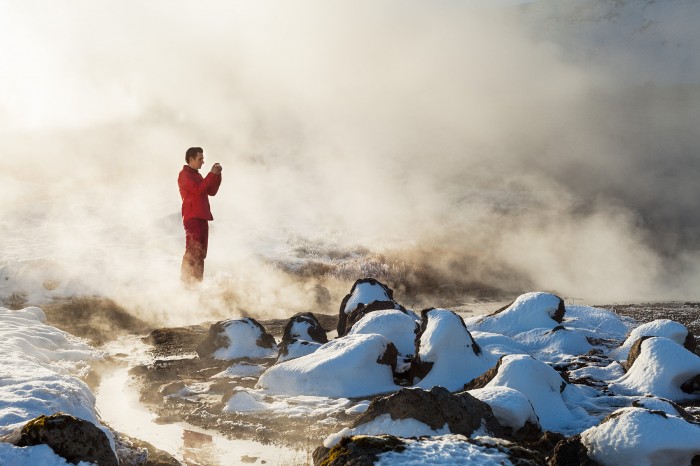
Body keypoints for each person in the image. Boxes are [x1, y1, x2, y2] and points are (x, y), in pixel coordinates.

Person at [178, 147, 222, 286]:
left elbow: (211, 191)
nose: (203, 162)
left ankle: (197, 286)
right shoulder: (184, 175)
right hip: (192, 217)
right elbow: (198, 190)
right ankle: (185, 284)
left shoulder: (197, 175)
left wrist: (217, 175)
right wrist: (211, 174)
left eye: (203, 159)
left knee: (201, 254)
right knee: (192, 251)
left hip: (202, 217)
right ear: (191, 159)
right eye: (200, 159)